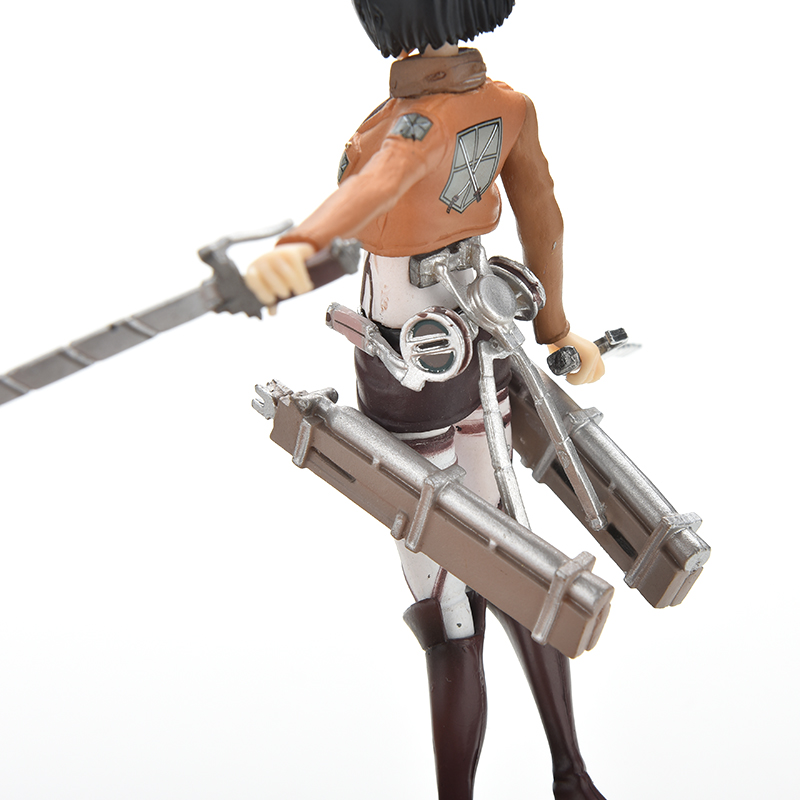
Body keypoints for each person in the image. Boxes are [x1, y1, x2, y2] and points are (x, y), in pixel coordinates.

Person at [246, 2, 606, 798]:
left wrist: (297, 249)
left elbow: (383, 182)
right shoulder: (507, 105)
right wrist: (555, 327)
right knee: (513, 552)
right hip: (478, 336)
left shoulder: (409, 124)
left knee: (449, 600)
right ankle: (573, 773)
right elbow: (540, 213)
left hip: (409, 357)